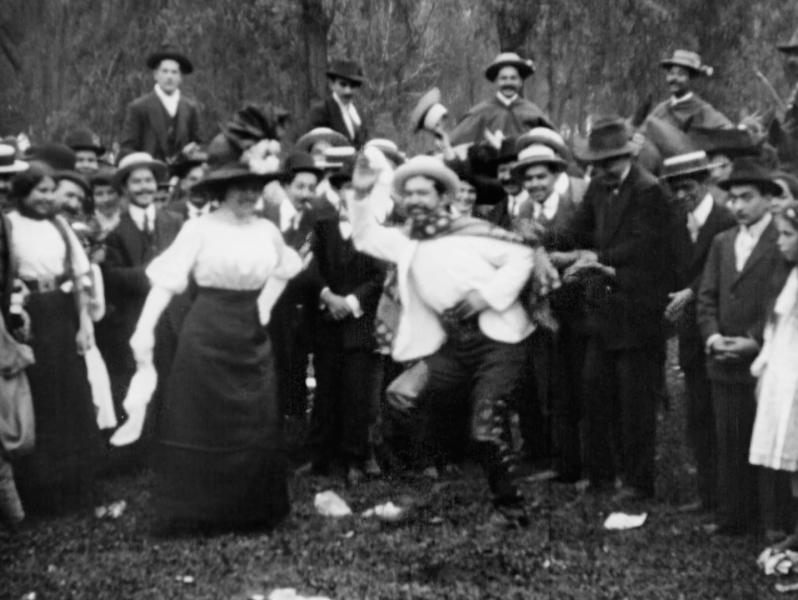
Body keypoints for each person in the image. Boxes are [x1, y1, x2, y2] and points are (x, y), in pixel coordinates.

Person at [347, 150, 556, 527]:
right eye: (409, 194)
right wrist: (361, 195)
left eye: (423, 193)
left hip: (500, 342)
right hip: (454, 346)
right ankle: (423, 485)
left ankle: (510, 507)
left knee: (485, 429)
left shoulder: (471, 231)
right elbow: (365, 237)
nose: (414, 200)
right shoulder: (407, 239)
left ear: (443, 197)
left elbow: (522, 257)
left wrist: (485, 296)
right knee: (400, 395)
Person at [128, 159, 300, 532]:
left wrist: (264, 307)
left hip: (250, 332)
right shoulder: (199, 229)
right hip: (207, 328)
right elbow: (167, 280)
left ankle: (252, 509)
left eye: (255, 188)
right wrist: (143, 329)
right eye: (240, 188)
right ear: (222, 191)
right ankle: (199, 512)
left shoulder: (267, 230)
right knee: (203, 415)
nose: (249, 195)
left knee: (255, 415)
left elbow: (286, 267)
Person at [556, 116, 673, 502]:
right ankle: (601, 477)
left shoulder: (649, 190)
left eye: (608, 161)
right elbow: (577, 229)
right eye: (596, 162)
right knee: (594, 391)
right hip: (604, 308)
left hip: (638, 308)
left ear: (627, 156)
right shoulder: (598, 187)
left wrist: (597, 259)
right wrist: (544, 238)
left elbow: (646, 246)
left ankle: (638, 482)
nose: (601, 169)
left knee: (635, 402)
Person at [697, 158, 791, 535]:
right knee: (730, 438)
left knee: (769, 439)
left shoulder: (783, 241)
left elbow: (781, 300)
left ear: (768, 199)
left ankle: (774, 521)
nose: (737, 206)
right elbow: (707, 296)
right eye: (733, 198)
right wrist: (713, 337)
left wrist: (754, 341)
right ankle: (733, 516)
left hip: (763, 358)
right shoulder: (722, 242)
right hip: (724, 358)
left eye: (747, 198)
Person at [6, 164, 103, 514]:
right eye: (40, 191)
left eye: (51, 191)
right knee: (39, 395)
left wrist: (83, 324)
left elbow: (79, 277)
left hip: (61, 313)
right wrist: (15, 310)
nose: (47, 198)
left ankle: (78, 483)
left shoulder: (60, 226)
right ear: (23, 193)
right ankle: (41, 491)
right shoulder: (9, 225)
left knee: (72, 393)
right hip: (27, 316)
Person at [660, 151, 736, 513]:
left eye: (687, 187)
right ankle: (708, 495)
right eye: (674, 189)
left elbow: (726, 271)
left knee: (726, 417)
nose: (680, 195)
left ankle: (732, 498)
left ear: (704, 183)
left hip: (721, 325)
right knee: (699, 414)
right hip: (691, 332)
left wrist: (691, 291)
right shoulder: (677, 221)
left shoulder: (726, 219)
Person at [302, 193, 387, 485]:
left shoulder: (373, 233)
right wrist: (327, 295)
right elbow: (309, 266)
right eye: (346, 197)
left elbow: (379, 277)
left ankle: (354, 458)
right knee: (325, 390)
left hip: (359, 324)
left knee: (356, 392)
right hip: (327, 321)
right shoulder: (322, 228)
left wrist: (350, 303)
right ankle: (320, 457)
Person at [101, 152, 183, 418]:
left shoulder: (174, 222)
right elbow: (112, 277)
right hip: (133, 319)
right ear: (125, 188)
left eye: (148, 180)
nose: (144, 187)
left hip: (171, 319)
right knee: (139, 387)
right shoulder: (114, 229)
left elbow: (185, 266)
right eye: (136, 182)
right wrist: (152, 275)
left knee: (172, 384)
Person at [262, 152, 331, 418]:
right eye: (300, 187)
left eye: (311, 188)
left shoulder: (317, 221)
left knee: (296, 376)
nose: (305, 194)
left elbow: (317, 265)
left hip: (302, 312)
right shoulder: (265, 218)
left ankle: (294, 431)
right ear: (285, 186)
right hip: (268, 310)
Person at [749, 201, 798, 551]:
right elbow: (775, 330)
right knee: (792, 457)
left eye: (787, 234)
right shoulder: (788, 275)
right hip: (783, 374)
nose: (779, 241)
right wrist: (764, 368)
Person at [450, 52, 552, 146]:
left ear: (520, 82)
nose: (508, 83)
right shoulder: (480, 113)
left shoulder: (533, 113)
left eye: (513, 78)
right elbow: (454, 141)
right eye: (503, 78)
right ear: (496, 82)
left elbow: (553, 142)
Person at [120, 45, 201, 163]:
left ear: (180, 77)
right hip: (149, 170)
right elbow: (127, 148)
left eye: (174, 72)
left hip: (182, 171)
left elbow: (198, 144)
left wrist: (191, 151)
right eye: (165, 71)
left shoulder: (190, 108)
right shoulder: (138, 107)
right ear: (155, 75)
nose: (169, 76)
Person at [649, 50, 732, 133]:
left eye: (680, 74)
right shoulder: (660, 109)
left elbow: (729, 130)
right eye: (671, 73)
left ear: (691, 79)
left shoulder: (702, 110)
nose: (674, 78)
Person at [307, 59, 369, 148]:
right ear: (331, 85)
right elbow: (313, 146)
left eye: (353, 86)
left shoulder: (358, 112)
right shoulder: (321, 111)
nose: (348, 91)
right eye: (343, 85)